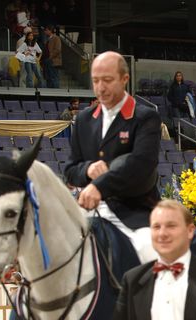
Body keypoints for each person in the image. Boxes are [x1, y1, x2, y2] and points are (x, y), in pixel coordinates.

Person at [64, 51, 161, 264]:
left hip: (134, 211)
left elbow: (141, 165)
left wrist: (99, 186)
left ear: (124, 79)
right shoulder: (83, 119)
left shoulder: (145, 117)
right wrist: (88, 169)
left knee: (150, 252)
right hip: (86, 211)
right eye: (95, 81)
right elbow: (70, 170)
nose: (100, 87)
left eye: (107, 80)